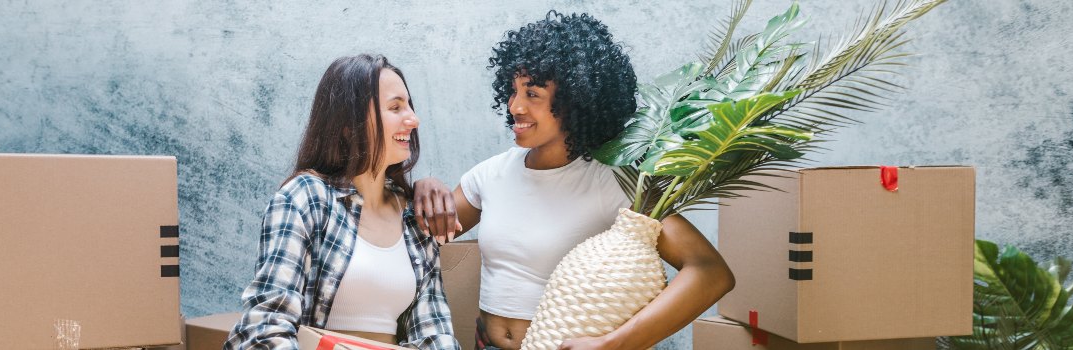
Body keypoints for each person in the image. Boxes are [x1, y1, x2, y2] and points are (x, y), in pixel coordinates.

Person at [413, 12, 735, 350]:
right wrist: (424, 186)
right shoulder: (490, 175)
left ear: (575, 101)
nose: (515, 106)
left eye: (532, 94)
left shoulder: (614, 182)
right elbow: (415, 237)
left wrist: (613, 343)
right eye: (513, 91)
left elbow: (710, 273)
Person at [226, 54, 459, 350]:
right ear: (350, 124)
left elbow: (435, 331)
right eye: (395, 107)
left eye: (410, 105)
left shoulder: (413, 217)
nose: (413, 119)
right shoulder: (305, 199)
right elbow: (265, 328)